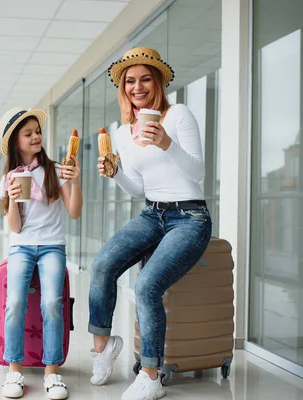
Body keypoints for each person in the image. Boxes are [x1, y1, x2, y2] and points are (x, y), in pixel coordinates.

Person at [88, 47, 212, 400]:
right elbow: (139, 188)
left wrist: (166, 143)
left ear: (157, 81)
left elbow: (198, 173)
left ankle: (152, 374)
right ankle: (103, 348)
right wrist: (116, 173)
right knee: (102, 265)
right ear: (123, 87)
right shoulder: (125, 132)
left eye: (145, 78)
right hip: (151, 213)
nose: (137, 86)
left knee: (146, 286)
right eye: (130, 80)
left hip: (189, 217)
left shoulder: (178, 115)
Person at [0, 107, 83, 400]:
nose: (36, 137)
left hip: (52, 246)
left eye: (38, 131)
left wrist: (75, 180)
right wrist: (11, 197)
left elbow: (73, 213)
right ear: (15, 142)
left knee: (52, 303)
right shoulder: (8, 177)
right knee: (15, 302)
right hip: (21, 246)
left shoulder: (56, 170)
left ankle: (52, 372)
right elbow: (16, 228)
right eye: (28, 133)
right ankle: (14, 369)